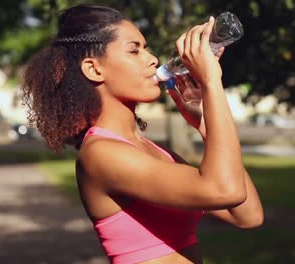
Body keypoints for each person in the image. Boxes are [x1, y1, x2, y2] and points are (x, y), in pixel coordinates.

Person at [22, 3, 263, 264]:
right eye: (134, 50)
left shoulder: (153, 151)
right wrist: (211, 81)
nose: (152, 59)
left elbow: (246, 215)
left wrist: (205, 124)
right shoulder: (102, 154)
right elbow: (224, 190)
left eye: (146, 48)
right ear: (94, 69)